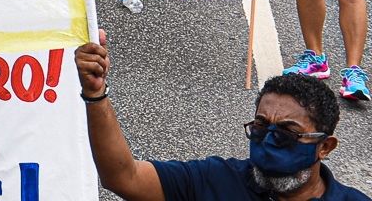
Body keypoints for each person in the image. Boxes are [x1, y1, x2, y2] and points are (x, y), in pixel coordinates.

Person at [77, 33, 371, 201]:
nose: (267, 142)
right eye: (259, 128)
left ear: (325, 146)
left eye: (286, 133)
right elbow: (123, 177)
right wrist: (95, 94)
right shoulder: (215, 180)